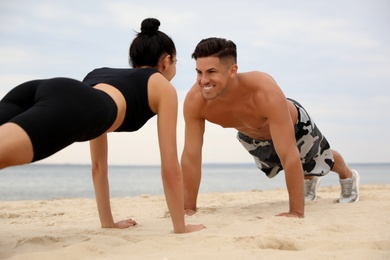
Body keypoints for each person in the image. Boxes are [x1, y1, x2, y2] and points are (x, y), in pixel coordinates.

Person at [0, 18, 204, 233]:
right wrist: (181, 227)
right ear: (166, 61)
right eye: (175, 63)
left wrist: (109, 223)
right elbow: (170, 167)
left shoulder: (101, 73)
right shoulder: (161, 86)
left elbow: (98, 165)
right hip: (70, 102)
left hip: (38, 88)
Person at [181, 37, 360, 218]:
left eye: (211, 72)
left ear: (232, 70)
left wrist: (296, 212)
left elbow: (289, 154)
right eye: (199, 72)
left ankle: (348, 177)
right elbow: (191, 156)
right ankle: (309, 180)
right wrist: (188, 208)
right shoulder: (196, 101)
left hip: (294, 124)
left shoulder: (263, 91)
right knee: (290, 165)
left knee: (317, 159)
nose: (203, 80)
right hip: (252, 136)